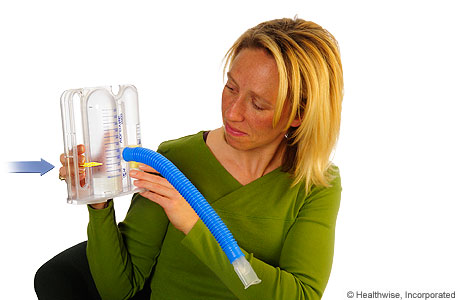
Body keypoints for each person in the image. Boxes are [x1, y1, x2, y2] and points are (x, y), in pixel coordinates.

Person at [35, 17, 344, 300]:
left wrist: (195, 225)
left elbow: (301, 296)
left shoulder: (316, 185)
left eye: (258, 105)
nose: (232, 113)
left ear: (299, 114)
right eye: (230, 87)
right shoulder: (174, 160)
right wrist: (98, 200)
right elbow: (119, 289)